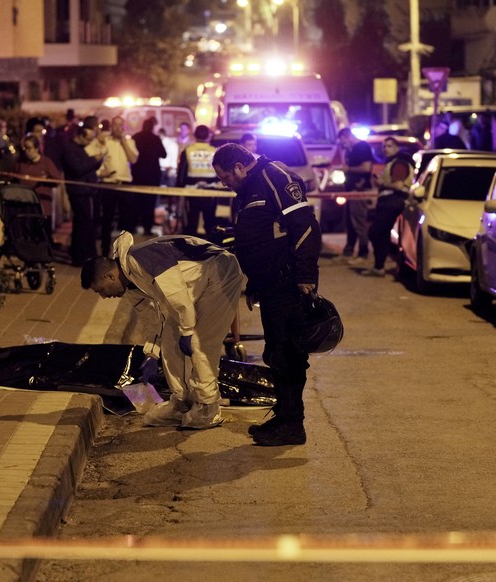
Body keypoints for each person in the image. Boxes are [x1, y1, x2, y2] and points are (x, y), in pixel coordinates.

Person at [212, 143, 321, 446]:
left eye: (226, 178)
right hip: (270, 285)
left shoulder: (275, 177)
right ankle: (284, 416)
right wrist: (255, 285)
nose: (226, 184)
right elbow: (260, 238)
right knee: (276, 352)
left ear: (239, 166)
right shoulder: (249, 188)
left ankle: (292, 424)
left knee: (289, 354)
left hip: (289, 284)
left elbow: (305, 227)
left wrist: (306, 276)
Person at [80, 231, 244, 429]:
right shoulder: (131, 284)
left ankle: (207, 407)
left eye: (102, 290)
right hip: (200, 284)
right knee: (171, 338)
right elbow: (153, 321)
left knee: (200, 342)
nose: (104, 297)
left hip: (222, 274)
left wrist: (188, 330)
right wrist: (152, 353)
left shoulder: (143, 260)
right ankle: (183, 402)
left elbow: (177, 294)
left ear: (110, 276)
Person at [362, 137, 414, 277]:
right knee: (383, 235)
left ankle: (380, 265)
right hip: (388, 202)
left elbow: (398, 185)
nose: (385, 149)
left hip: (392, 202)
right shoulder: (392, 162)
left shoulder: (399, 163)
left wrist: (381, 183)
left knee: (374, 232)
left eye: (389, 146)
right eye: (384, 146)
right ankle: (379, 267)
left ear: (396, 148)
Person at [88, 116, 139, 256]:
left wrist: (124, 142)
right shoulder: (105, 141)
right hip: (108, 184)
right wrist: (100, 173)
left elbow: (133, 159)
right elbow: (92, 156)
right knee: (107, 219)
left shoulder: (129, 141)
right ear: (111, 126)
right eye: (115, 125)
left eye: (120, 125)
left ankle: (125, 251)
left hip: (125, 184)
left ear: (124, 127)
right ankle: (105, 250)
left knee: (126, 220)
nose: (117, 128)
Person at [60, 124, 104, 266]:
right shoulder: (69, 149)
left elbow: (88, 167)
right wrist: (94, 160)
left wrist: (98, 160)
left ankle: (87, 253)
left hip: (87, 191)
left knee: (87, 223)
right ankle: (79, 256)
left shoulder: (79, 149)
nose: (89, 142)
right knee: (82, 223)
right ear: (80, 136)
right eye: (88, 139)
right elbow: (78, 168)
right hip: (78, 191)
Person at [337, 127, 373, 264]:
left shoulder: (362, 147)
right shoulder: (351, 150)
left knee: (359, 222)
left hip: (359, 190)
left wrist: (348, 169)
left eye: (343, 141)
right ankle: (349, 250)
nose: (343, 144)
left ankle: (363, 253)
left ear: (347, 136)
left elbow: (366, 168)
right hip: (351, 190)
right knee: (350, 222)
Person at [177, 124, 219, 236]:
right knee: (210, 223)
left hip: (192, 191)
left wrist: (177, 190)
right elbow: (219, 171)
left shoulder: (188, 150)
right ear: (208, 136)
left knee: (192, 222)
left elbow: (182, 172)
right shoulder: (214, 151)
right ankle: (211, 247)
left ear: (195, 135)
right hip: (211, 191)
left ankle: (191, 248)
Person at [131, 116, 167, 236]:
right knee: (150, 203)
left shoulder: (135, 137)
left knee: (136, 202)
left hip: (137, 175)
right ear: (152, 127)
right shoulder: (155, 139)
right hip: (152, 175)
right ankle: (147, 227)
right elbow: (164, 154)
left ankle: (134, 226)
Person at [14, 134, 63, 220]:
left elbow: (58, 180)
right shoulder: (20, 163)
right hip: (24, 206)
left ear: (36, 148)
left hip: (42, 207)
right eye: (24, 148)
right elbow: (13, 180)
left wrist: (46, 180)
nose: (26, 151)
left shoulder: (46, 162)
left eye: (29, 148)